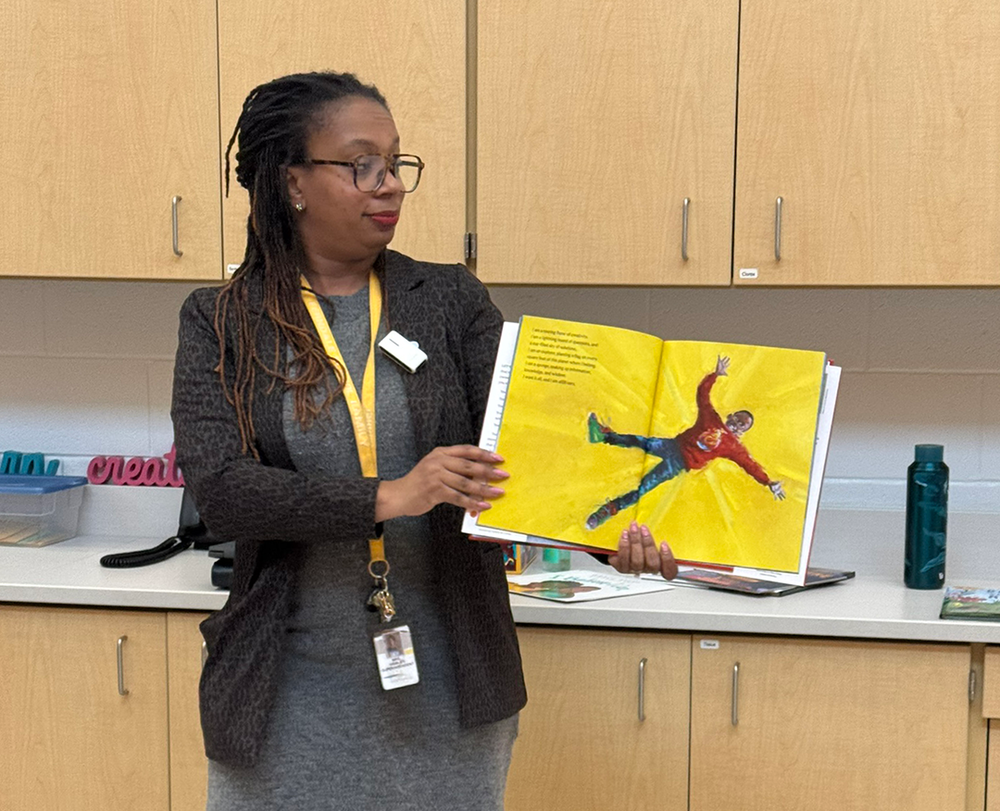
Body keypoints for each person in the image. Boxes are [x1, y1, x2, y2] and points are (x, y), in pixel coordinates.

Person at [171, 70, 676, 811]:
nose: (390, 185)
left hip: (450, 679)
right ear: (293, 183)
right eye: (362, 164)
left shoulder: (449, 299)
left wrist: (606, 535)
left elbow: (529, 458)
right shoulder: (222, 319)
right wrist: (390, 494)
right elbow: (222, 490)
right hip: (282, 688)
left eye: (397, 164)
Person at [586, 355, 786, 529]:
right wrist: (714, 375)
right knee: (640, 441)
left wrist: (768, 482)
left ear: (742, 432)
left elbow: (749, 465)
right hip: (670, 446)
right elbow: (702, 395)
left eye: (741, 425)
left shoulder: (733, 447)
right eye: (737, 419)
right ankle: (604, 436)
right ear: (731, 415)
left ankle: (609, 509)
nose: (736, 424)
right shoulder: (711, 417)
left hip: (678, 463)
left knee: (645, 486)